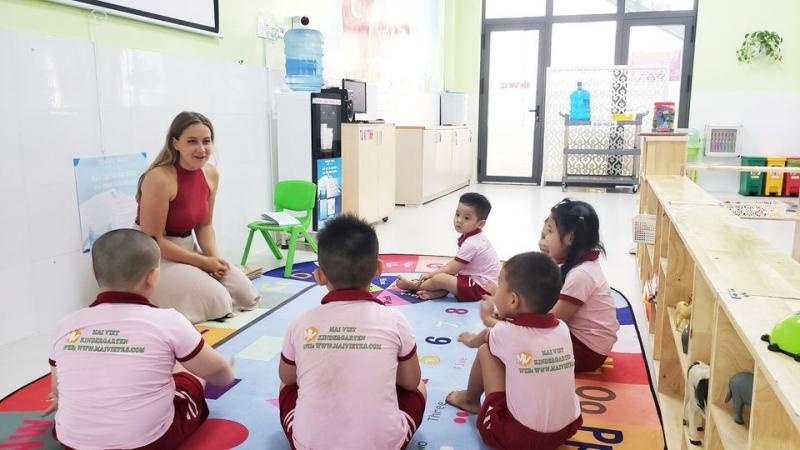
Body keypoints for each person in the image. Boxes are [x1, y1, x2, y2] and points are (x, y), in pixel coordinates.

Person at [44, 229, 236, 449]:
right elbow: (218, 373)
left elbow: (57, 390)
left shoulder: (66, 325)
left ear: (93, 271)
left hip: (72, 442)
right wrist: (225, 373)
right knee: (188, 374)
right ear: (153, 276)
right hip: (147, 442)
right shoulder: (168, 321)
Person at [278, 214, 426, 450]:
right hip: (383, 445)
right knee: (420, 388)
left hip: (309, 445)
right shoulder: (395, 320)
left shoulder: (301, 323)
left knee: (287, 386)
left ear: (319, 276)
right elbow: (410, 382)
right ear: (379, 269)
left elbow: (287, 378)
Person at [461, 198, 619, 373]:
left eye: (548, 233)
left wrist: (494, 320)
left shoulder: (582, 274)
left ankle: (471, 397)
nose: (542, 242)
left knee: (501, 343)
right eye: (542, 234)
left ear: (570, 238)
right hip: (577, 339)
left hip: (587, 352)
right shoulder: (573, 266)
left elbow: (548, 321)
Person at [446, 252, 582, 450]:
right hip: (566, 430)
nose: (495, 291)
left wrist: (470, 340)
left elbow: (487, 336)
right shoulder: (561, 328)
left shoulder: (505, 333)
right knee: (517, 361)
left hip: (520, 438)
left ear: (513, 301)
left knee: (486, 351)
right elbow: (516, 330)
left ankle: (470, 399)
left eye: (500, 285)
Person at [136, 111, 259, 323]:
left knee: (247, 297)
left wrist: (213, 260)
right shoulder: (159, 177)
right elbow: (154, 241)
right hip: (155, 257)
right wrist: (203, 263)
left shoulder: (211, 174)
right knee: (220, 302)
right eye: (192, 141)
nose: (201, 149)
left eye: (206, 141)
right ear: (175, 143)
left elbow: (205, 225)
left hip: (188, 248)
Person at [396, 192, 500, 300]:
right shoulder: (474, 237)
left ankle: (414, 286)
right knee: (447, 276)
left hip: (480, 289)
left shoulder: (472, 244)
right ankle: (440, 292)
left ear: (480, 224)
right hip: (476, 280)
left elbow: (451, 268)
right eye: (457, 214)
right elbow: (456, 266)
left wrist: (431, 275)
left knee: (441, 278)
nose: (459, 220)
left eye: (467, 218)